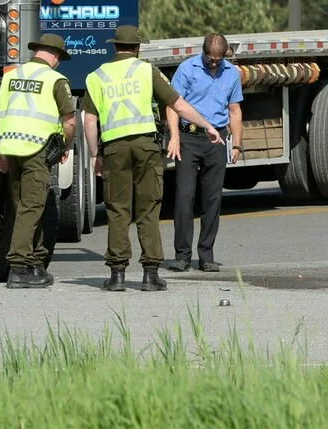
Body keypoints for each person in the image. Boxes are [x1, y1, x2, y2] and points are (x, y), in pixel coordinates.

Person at [80, 25, 225, 292]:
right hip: (145, 146)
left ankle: (117, 276)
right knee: (148, 208)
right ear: (137, 48)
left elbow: (89, 120)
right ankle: (150, 275)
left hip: (114, 148)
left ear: (115, 47)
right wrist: (207, 125)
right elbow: (177, 104)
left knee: (118, 209)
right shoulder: (147, 71)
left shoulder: (97, 76)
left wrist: (95, 154)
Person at [0, 33, 75, 289]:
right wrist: (66, 146)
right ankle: (18, 267)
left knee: (24, 208)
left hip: (12, 149)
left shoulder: (10, 76)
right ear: (56, 56)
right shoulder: (55, 79)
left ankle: (35, 262)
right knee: (32, 207)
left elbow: (0, 115)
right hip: (36, 151)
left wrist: (0, 150)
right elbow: (70, 121)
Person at [163, 33, 244, 273]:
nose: (214, 64)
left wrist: (237, 143)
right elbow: (173, 105)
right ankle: (182, 255)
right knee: (185, 197)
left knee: (212, 199)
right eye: (210, 59)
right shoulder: (188, 69)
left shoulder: (230, 73)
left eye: (218, 60)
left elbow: (235, 110)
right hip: (189, 137)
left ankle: (206, 255)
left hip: (216, 139)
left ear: (225, 56)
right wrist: (175, 136)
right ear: (204, 53)